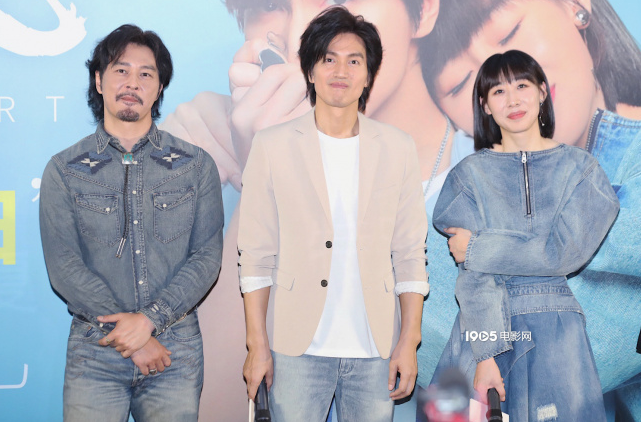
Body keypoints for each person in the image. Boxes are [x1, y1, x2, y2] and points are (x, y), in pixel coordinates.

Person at [160, 1, 475, 419]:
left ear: (424, 10)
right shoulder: (242, 152)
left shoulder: (480, 177)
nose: (298, 39)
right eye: (270, 5)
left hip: (374, 356)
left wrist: (409, 339)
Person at [416, 0, 641, 419]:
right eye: (463, 83)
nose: (509, 91)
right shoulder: (467, 183)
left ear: (576, 7)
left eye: (508, 33)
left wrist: (483, 249)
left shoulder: (595, 167)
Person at [238, 7, 428, 421]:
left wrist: (408, 340)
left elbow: (410, 253)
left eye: (354, 61)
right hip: (296, 349)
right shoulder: (272, 145)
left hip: (375, 352)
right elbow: (255, 255)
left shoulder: (398, 147)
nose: (341, 71)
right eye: (329, 59)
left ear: (368, 75)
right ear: (310, 71)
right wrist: (257, 345)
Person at [39, 24, 224, 421]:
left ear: (159, 88)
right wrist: (131, 336)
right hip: (95, 352)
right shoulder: (64, 170)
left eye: (146, 74)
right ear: (98, 80)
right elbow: (64, 266)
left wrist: (150, 322)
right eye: (121, 70)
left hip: (174, 352)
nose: (132, 83)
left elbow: (207, 257)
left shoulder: (195, 166)